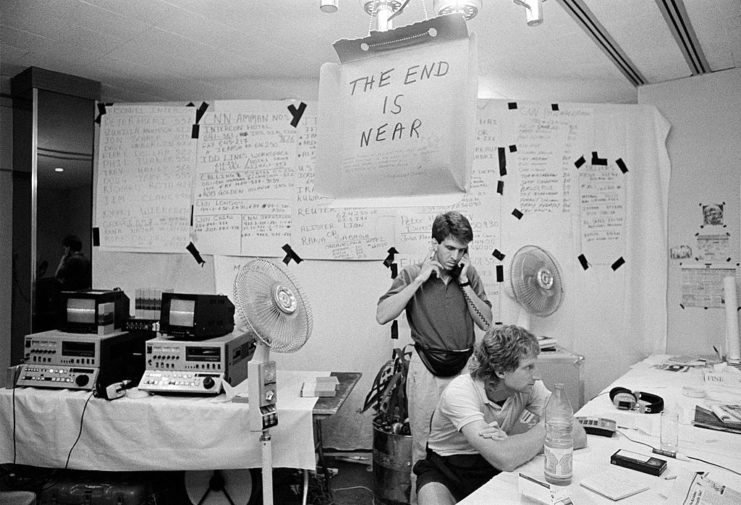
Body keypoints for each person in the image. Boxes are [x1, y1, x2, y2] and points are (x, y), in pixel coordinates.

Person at [377, 211, 492, 497]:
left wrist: (464, 283)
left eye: (462, 250)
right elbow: (382, 315)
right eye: (449, 248)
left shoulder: (468, 275)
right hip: (427, 366)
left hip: (465, 366)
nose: (455, 256)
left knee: (469, 442)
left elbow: (487, 323)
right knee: (424, 446)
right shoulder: (412, 273)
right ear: (434, 244)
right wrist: (419, 281)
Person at [414, 324, 588, 504]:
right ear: (500, 371)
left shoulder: (530, 387)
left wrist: (510, 444)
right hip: (447, 470)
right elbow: (505, 457)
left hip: (490, 466)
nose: (536, 375)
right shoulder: (460, 391)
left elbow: (578, 434)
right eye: (528, 367)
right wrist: (547, 425)